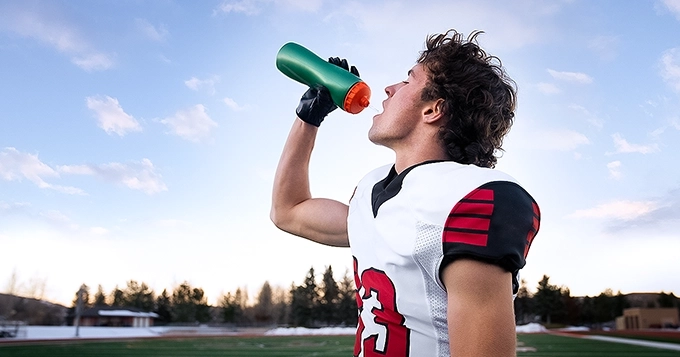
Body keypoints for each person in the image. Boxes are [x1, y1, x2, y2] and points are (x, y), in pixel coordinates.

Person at [271, 29, 540, 357]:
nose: (389, 88)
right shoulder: (373, 189)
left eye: (408, 80)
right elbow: (288, 210)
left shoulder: (468, 198)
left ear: (433, 110)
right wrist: (308, 118)